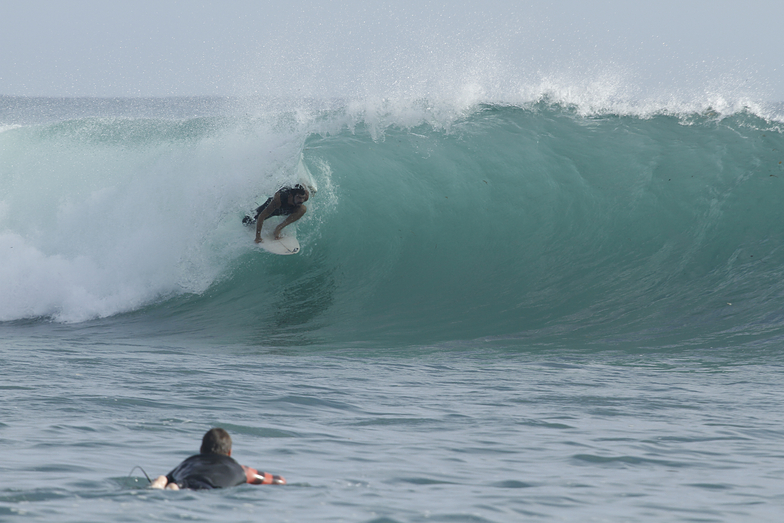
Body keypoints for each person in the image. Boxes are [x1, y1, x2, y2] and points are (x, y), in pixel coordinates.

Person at [150, 428, 286, 490]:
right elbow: (279, 480)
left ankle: (161, 484)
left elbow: (170, 476)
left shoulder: (188, 462)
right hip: (208, 488)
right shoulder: (243, 470)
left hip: (184, 480)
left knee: (168, 481)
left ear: (201, 449)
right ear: (230, 452)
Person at [243, 184, 309, 244]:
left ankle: (278, 228)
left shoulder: (304, 197)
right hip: (275, 208)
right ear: (291, 196)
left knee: (303, 209)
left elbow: (303, 187)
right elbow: (262, 216)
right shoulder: (279, 199)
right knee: (246, 221)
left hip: (287, 209)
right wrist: (258, 236)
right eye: (299, 197)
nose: (301, 200)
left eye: (303, 198)